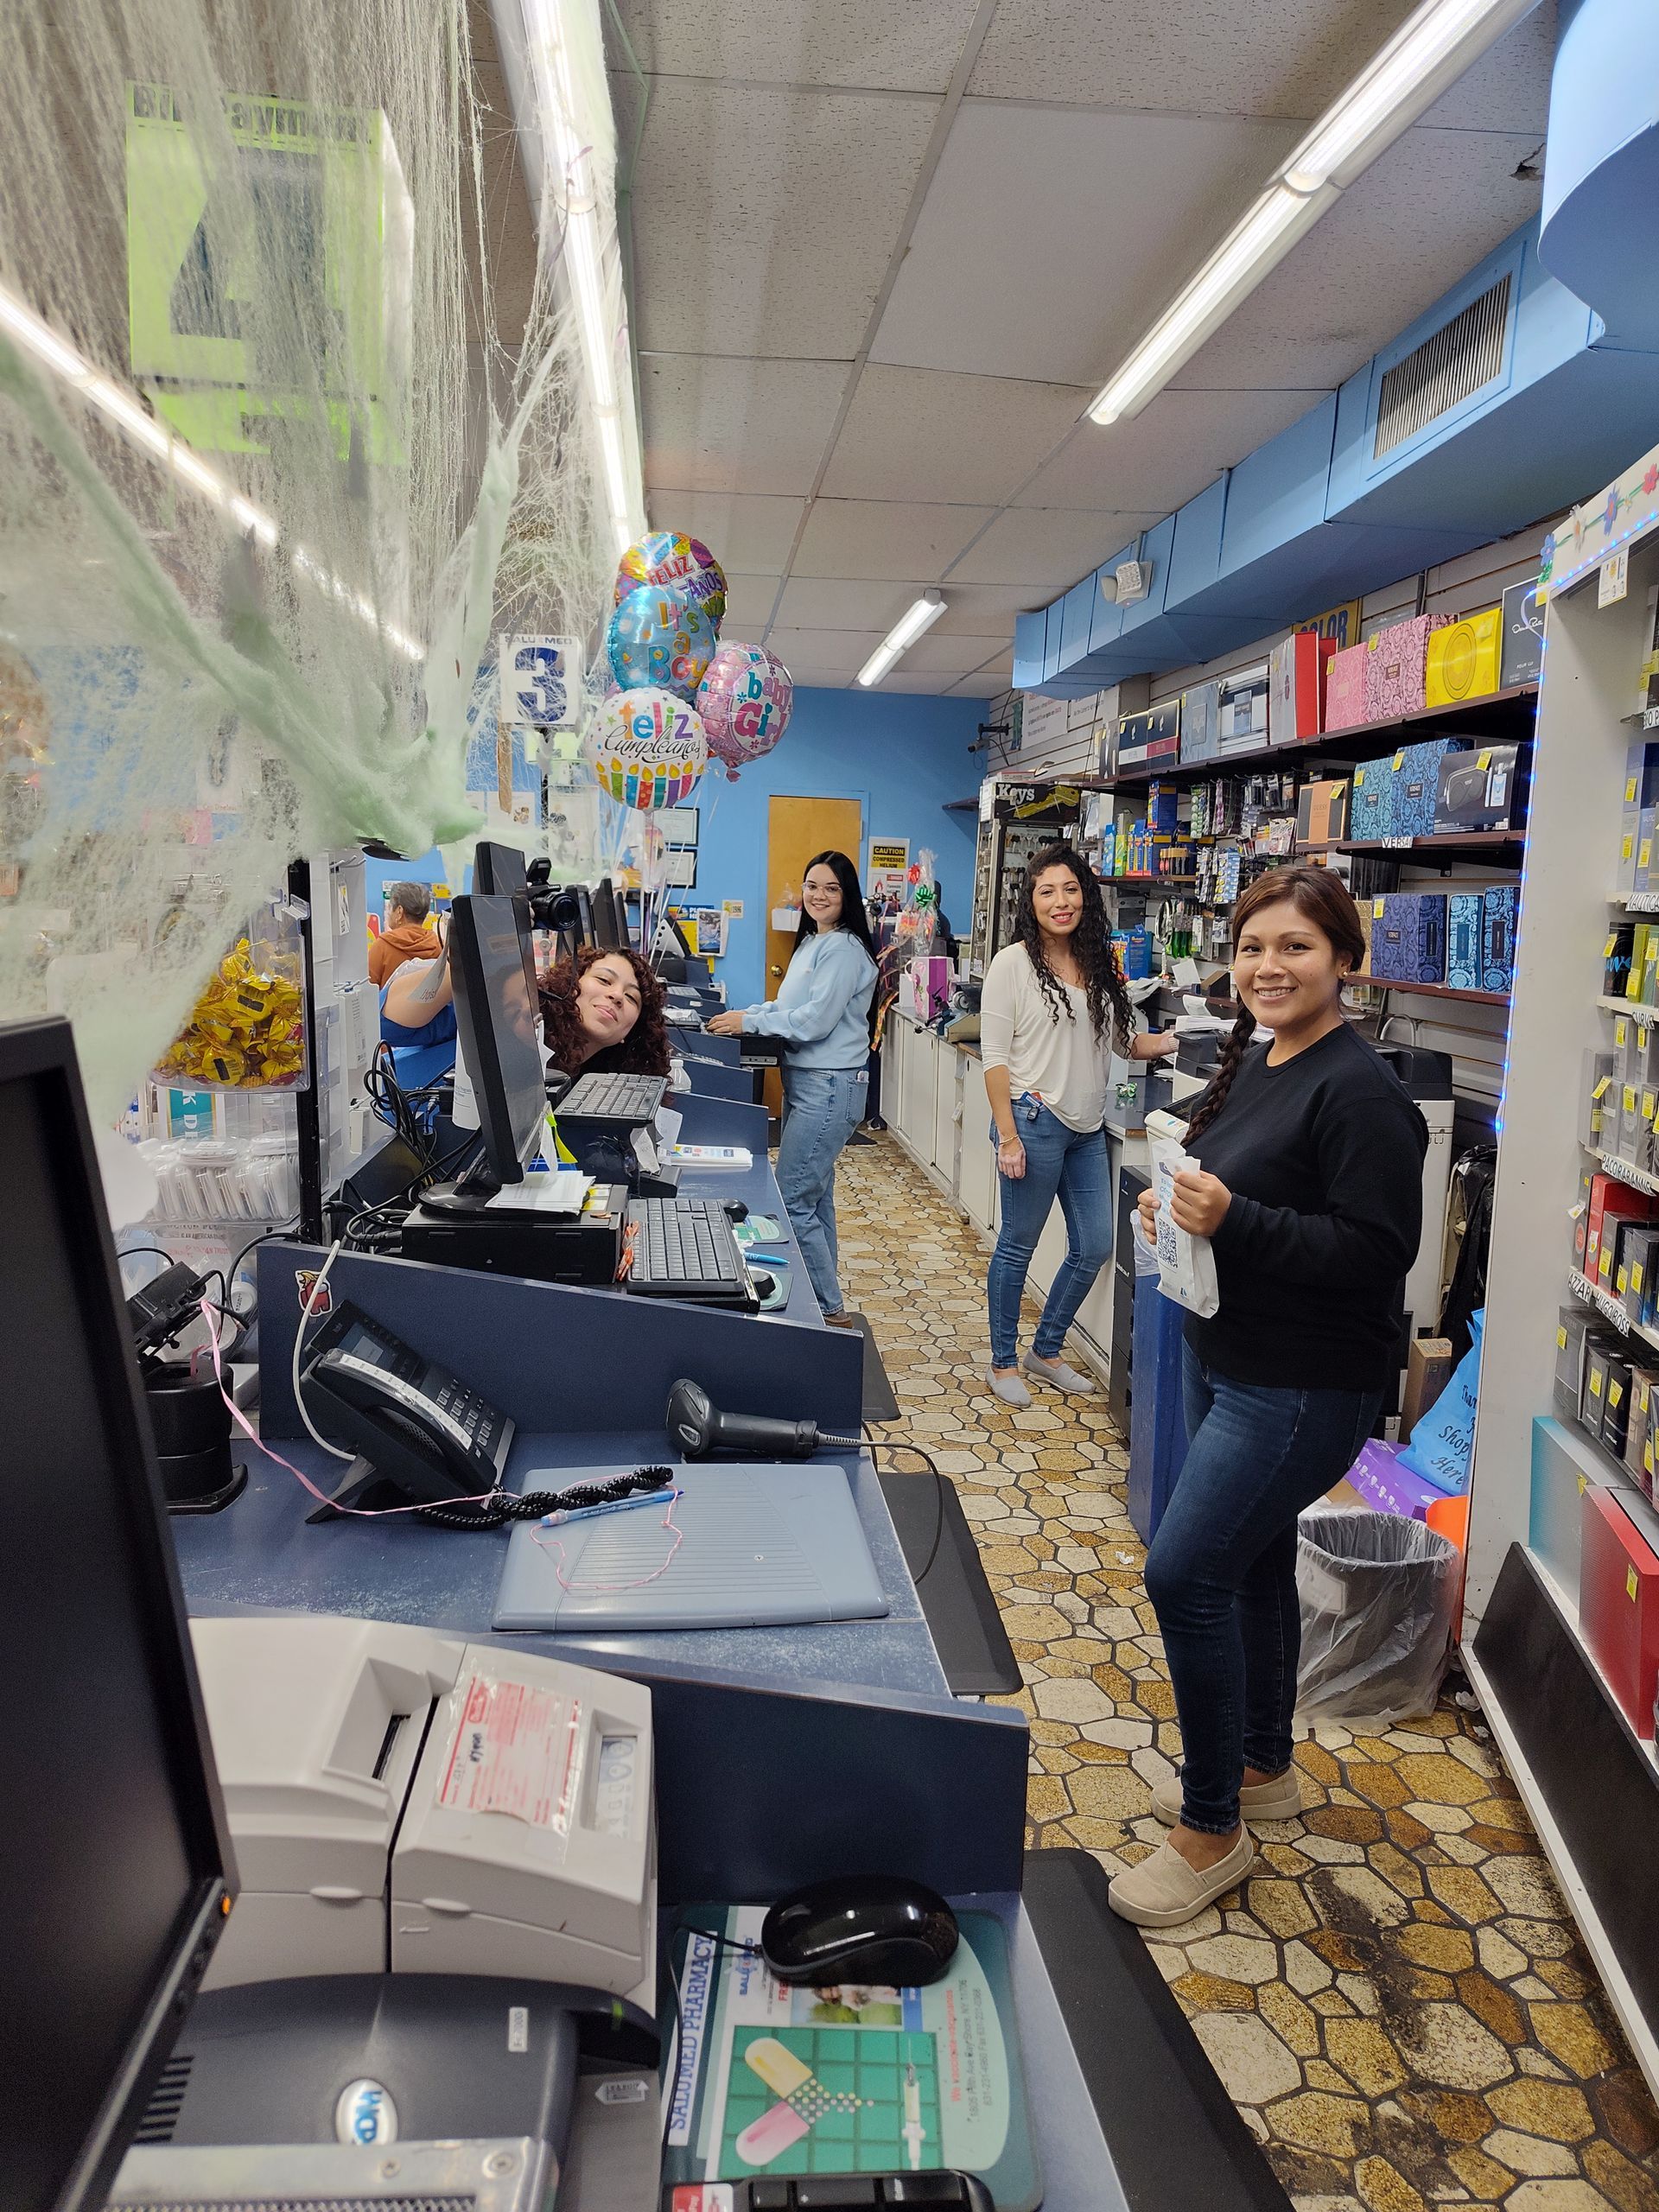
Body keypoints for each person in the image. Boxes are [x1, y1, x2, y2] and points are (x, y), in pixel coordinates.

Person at [1109, 866, 1427, 1929]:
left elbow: (1377, 1252)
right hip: (1226, 1351)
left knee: (1184, 1571)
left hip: (1299, 1383)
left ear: (1346, 960)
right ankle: (1261, 1767)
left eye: (1296, 946)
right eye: (1253, 946)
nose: (1268, 966)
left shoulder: (1362, 1092)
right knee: (1247, 1563)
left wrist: (1232, 1219)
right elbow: (1233, 1191)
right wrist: (1176, 1208)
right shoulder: (1261, 1058)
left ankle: (1212, 1831)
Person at [982, 842, 1176, 1408]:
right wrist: (1008, 1137)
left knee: (1094, 1245)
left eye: (1070, 889)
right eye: (1047, 892)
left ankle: (1044, 1351)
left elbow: (1122, 1041)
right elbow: (994, 1059)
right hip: (1032, 1121)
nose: (1060, 901)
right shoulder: (1012, 964)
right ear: (1031, 901)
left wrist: (1174, 1042)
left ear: (1085, 896)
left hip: (1086, 1128)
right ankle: (1001, 1362)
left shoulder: (1098, 963)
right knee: (1017, 1246)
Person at [708, 849, 877, 1326]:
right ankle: (823, 1301)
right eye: (812, 886)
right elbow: (790, 1007)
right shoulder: (813, 942)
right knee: (815, 1199)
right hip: (811, 1084)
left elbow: (816, 1021)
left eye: (831, 888)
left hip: (829, 1086)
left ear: (847, 896)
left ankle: (829, 1311)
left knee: (792, 1200)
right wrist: (749, 1014)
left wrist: (749, 1022)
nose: (819, 896)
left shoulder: (842, 949)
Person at [370, 880, 443, 986]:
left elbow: (368, 988)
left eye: (390, 907)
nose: (388, 913)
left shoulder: (383, 946)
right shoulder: (438, 946)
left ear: (399, 911)